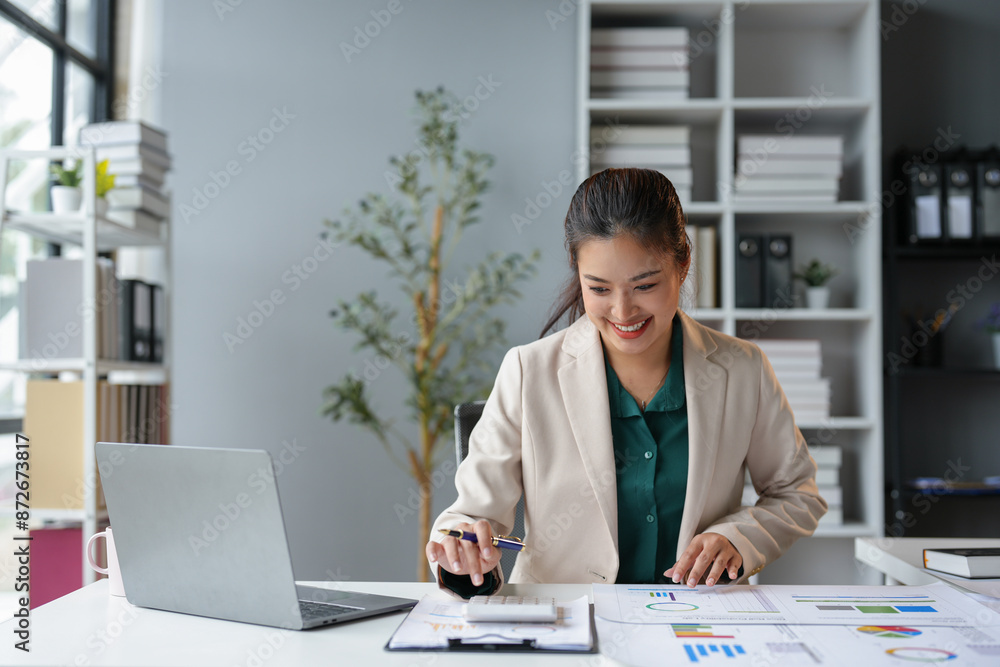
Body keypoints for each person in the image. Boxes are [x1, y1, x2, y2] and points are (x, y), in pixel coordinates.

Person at [426, 168, 827, 597]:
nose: (622, 311)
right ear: (577, 273)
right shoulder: (528, 371)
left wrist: (739, 537)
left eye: (645, 285)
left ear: (683, 263)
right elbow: (470, 515)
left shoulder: (743, 368)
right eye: (598, 288)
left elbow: (797, 494)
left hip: (701, 620)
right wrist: (461, 553)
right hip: (568, 618)